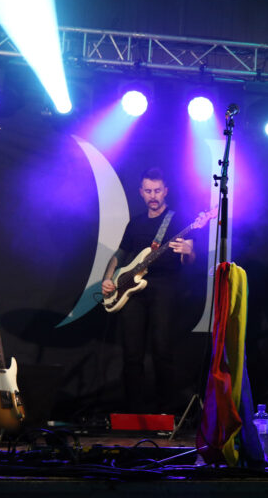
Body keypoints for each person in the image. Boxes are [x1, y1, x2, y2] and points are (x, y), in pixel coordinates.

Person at [101, 168, 204, 413]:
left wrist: (188, 252)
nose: (153, 195)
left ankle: (165, 411)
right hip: (131, 291)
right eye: (148, 191)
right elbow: (120, 255)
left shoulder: (179, 220)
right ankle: (134, 411)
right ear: (141, 192)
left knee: (162, 349)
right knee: (132, 353)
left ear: (165, 191)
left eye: (157, 190)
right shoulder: (135, 223)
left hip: (164, 289)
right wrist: (108, 279)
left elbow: (189, 260)